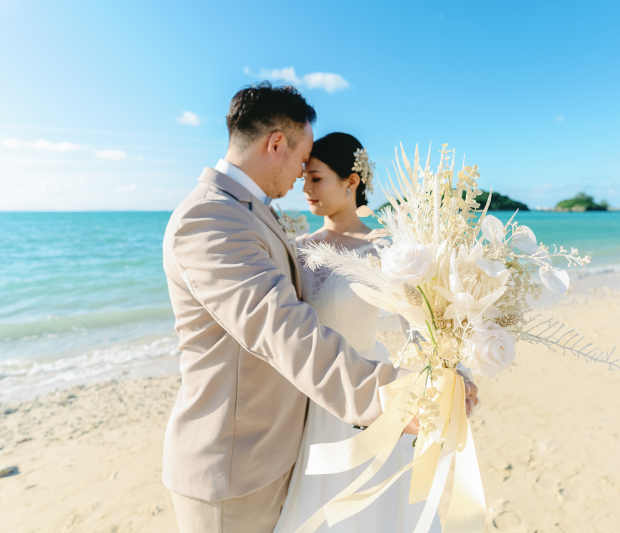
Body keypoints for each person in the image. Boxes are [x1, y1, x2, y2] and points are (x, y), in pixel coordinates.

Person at [162, 82, 478, 533]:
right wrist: (395, 397)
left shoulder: (251, 212)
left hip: (288, 443)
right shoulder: (212, 217)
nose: (300, 179)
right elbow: (282, 329)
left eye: (314, 173)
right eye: (301, 160)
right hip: (235, 465)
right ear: (276, 144)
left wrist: (439, 373)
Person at [274, 133, 477, 532]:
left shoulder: (383, 248)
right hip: (303, 395)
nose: (305, 189)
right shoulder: (295, 246)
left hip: (365, 389)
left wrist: (451, 378)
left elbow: (419, 326)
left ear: (351, 181)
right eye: (303, 178)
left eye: (316, 178)